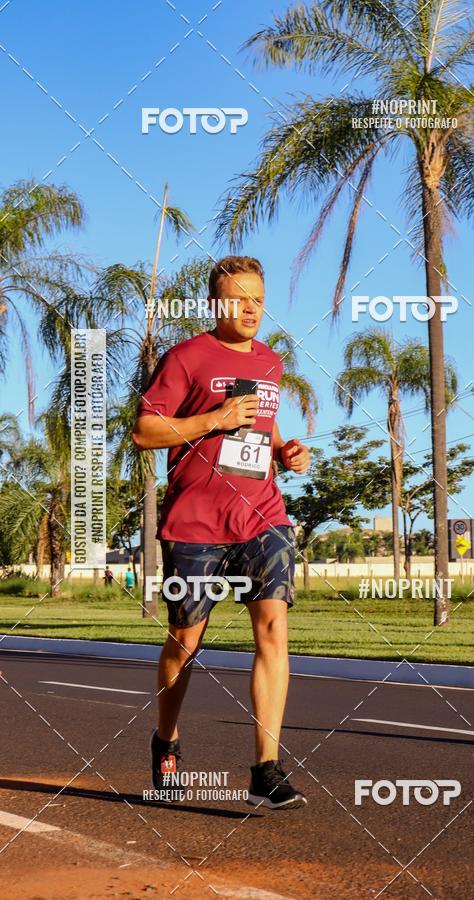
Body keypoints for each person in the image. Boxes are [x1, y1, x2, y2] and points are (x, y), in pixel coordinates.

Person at [132, 256, 310, 810]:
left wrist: (285, 449)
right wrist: (213, 420)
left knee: (273, 630)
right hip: (196, 522)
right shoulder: (186, 357)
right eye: (240, 298)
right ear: (216, 304)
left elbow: (264, 421)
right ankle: (166, 740)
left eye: (259, 297)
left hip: (262, 513)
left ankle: (266, 768)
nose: (252, 308)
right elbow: (144, 431)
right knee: (186, 641)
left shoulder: (270, 361)